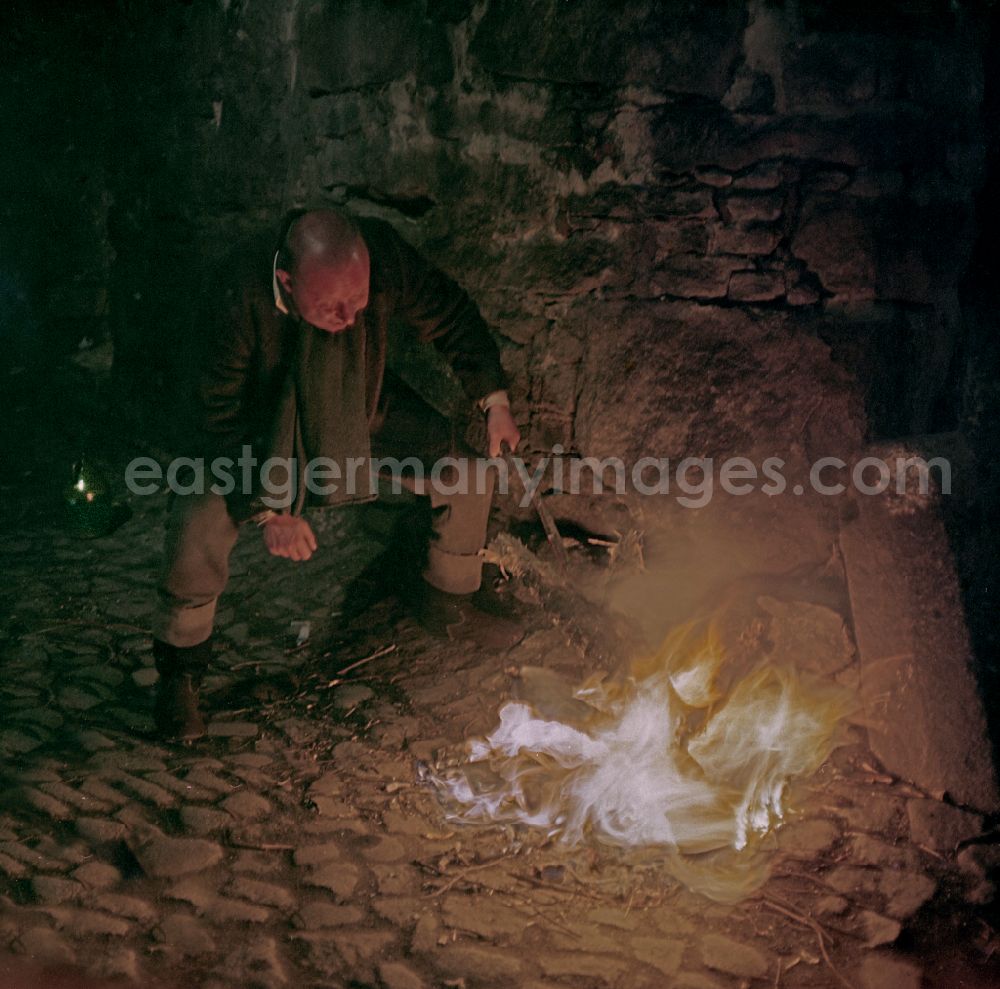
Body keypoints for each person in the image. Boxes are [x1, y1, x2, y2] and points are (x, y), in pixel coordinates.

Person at [150, 208, 523, 741]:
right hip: (254, 432)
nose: (351, 319)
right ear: (286, 280)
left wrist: (494, 399)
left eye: (361, 301)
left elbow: (449, 314)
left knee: (464, 473)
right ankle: (180, 673)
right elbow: (213, 421)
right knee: (199, 519)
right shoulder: (235, 294)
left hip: (355, 408)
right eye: (330, 306)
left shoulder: (381, 254)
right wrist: (268, 510)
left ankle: (449, 601)